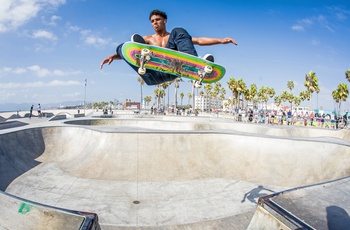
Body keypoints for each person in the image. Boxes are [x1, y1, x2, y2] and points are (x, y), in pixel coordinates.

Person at [100, 9, 237, 85]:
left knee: (179, 31)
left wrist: (221, 40)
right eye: (152, 21)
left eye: (158, 20)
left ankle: (193, 63)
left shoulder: (176, 37)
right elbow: (131, 52)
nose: (155, 23)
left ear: (165, 20)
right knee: (123, 46)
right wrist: (114, 55)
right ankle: (128, 52)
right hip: (150, 75)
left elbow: (199, 40)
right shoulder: (147, 39)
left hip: (172, 71)